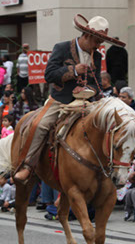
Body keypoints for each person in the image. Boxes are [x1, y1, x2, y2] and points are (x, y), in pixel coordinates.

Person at [13, 15, 124, 183]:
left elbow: (97, 84)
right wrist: (74, 71)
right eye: (97, 41)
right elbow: (49, 74)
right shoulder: (62, 48)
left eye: (101, 42)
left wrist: (88, 89)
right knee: (39, 125)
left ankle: (106, 167)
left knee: (105, 124)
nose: (99, 45)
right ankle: (28, 165)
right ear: (87, 36)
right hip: (60, 101)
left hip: (86, 103)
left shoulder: (97, 55)